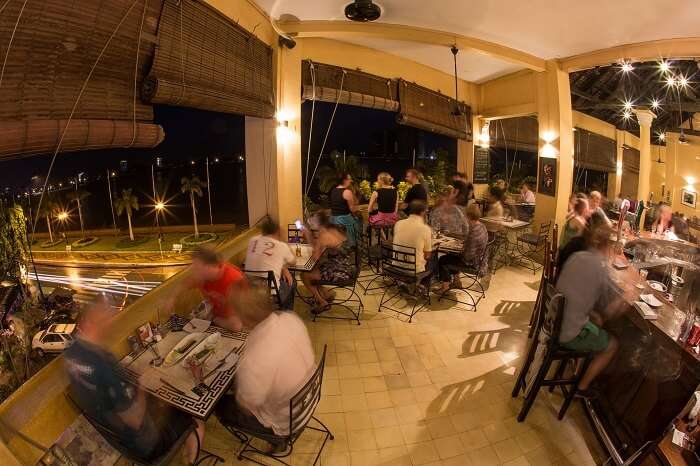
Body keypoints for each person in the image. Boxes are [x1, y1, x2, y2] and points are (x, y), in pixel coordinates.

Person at [65, 299, 204, 463]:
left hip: (115, 435)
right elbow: (135, 419)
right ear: (91, 323)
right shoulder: (104, 365)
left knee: (162, 399)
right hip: (146, 443)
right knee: (193, 413)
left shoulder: (72, 351)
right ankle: (190, 461)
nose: (110, 324)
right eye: (106, 319)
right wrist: (142, 388)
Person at [216, 286, 314, 450]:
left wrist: (237, 385)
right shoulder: (290, 318)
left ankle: (277, 440)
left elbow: (247, 404)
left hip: (289, 420)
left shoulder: (254, 358)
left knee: (219, 404)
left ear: (244, 318)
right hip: (308, 400)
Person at [556, 222, 624, 398]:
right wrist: (629, 296)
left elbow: (572, 292)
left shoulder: (577, 256)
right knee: (612, 344)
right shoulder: (601, 268)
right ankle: (581, 387)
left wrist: (593, 314)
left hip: (555, 319)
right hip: (568, 333)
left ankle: (576, 369)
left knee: (596, 321)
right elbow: (610, 311)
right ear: (608, 246)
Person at [163, 246, 246, 331]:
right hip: (219, 318)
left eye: (197, 267)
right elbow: (183, 285)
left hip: (242, 322)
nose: (194, 271)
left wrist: (213, 319)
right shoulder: (203, 276)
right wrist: (171, 299)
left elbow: (236, 326)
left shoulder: (233, 280)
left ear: (209, 266)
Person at [301, 211, 354, 314]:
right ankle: (326, 295)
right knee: (315, 270)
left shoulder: (323, 234)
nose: (309, 221)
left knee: (305, 275)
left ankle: (322, 302)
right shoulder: (332, 228)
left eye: (312, 220)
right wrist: (309, 236)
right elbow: (318, 247)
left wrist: (307, 235)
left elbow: (315, 257)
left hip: (341, 271)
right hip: (348, 266)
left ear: (318, 223)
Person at [244, 218, 296, 310]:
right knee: (292, 282)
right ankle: (286, 314)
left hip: (250, 288)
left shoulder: (253, 240)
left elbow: (268, 259)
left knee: (284, 277)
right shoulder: (281, 246)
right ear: (277, 231)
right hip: (269, 291)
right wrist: (284, 240)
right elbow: (293, 262)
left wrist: (284, 268)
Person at [436, 204, 489, 293]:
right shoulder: (481, 226)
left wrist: (458, 249)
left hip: (473, 263)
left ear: (468, 216)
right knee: (451, 255)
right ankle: (457, 281)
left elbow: (467, 257)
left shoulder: (473, 231)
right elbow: (469, 241)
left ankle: (445, 287)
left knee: (443, 260)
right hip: (481, 260)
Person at [393, 201, 434, 274]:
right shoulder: (425, 228)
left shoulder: (398, 223)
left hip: (396, 265)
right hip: (413, 270)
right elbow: (427, 255)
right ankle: (424, 284)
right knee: (433, 258)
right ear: (422, 213)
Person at [329, 173, 360, 246]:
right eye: (349, 179)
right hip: (343, 219)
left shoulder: (333, 190)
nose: (351, 181)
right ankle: (353, 244)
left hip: (333, 218)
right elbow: (352, 209)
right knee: (358, 221)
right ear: (345, 180)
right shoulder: (347, 192)